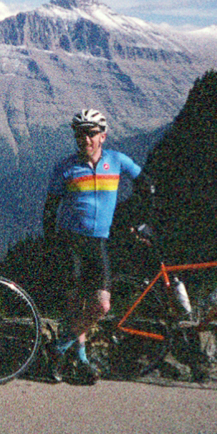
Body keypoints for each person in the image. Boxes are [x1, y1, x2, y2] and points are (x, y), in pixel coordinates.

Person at [41, 108, 151, 385]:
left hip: (98, 241)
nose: (85, 139)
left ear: (103, 135)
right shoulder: (66, 167)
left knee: (101, 305)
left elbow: (147, 187)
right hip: (70, 242)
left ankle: (58, 348)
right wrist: (50, 242)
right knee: (75, 304)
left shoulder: (117, 161)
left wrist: (134, 220)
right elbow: (50, 208)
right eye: (80, 134)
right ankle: (80, 360)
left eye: (91, 133)